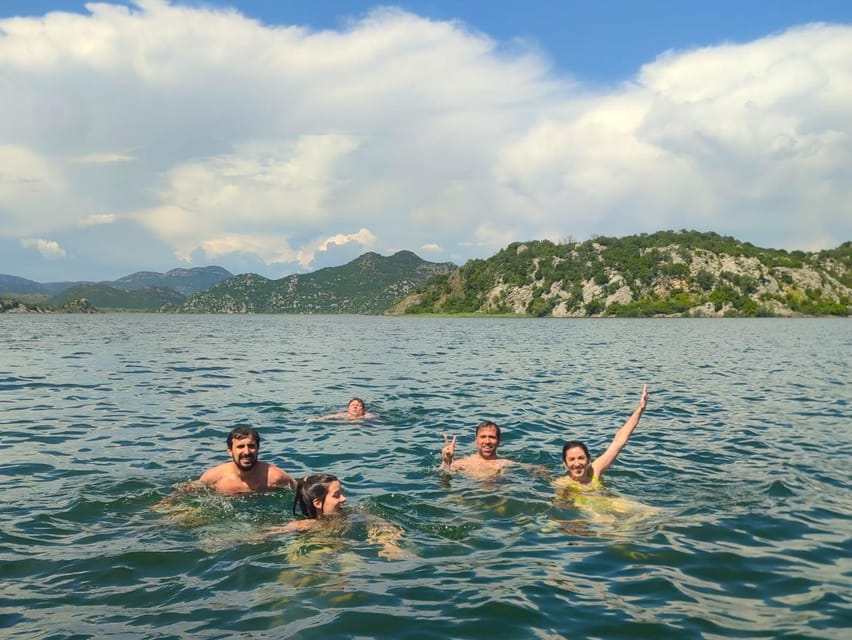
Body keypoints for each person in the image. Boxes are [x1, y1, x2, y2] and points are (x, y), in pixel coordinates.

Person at [556, 384, 649, 488]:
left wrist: (640, 409)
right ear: (565, 463)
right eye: (572, 459)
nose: (577, 464)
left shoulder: (594, 471)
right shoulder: (562, 484)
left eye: (581, 458)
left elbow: (618, 443)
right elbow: (559, 503)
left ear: (588, 459)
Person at [197, 426, 296, 494]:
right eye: (240, 447)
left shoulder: (274, 477)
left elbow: (300, 489)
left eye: (251, 446)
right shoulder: (214, 477)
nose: (246, 452)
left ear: (258, 448)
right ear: (230, 451)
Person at [440, 420, 513, 478]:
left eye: (492, 437)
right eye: (483, 437)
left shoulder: (505, 464)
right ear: (476, 440)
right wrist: (446, 461)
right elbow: (444, 481)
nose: (487, 441)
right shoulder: (463, 464)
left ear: (499, 441)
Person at [309, 397, 377, 421]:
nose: (355, 407)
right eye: (352, 405)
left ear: (363, 409)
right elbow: (329, 416)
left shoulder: (368, 416)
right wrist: (315, 419)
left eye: (358, 405)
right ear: (348, 409)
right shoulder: (344, 415)